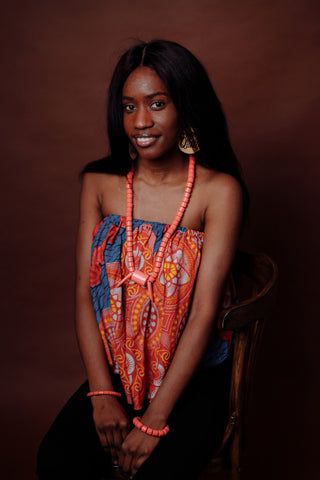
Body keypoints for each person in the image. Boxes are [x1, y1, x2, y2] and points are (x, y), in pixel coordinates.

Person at [37, 39, 248, 480]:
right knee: (56, 460)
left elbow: (206, 311)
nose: (142, 122)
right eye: (129, 107)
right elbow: (82, 291)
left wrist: (156, 417)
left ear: (185, 108)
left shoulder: (218, 191)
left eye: (157, 104)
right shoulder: (99, 183)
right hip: (119, 375)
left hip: (189, 383)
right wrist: (101, 393)